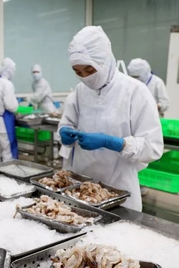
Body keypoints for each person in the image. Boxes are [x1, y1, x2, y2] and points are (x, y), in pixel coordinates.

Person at [58, 26, 163, 212]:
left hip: (119, 190)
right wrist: (64, 132)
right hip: (81, 186)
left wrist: (114, 143)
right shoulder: (79, 92)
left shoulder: (135, 92)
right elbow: (66, 124)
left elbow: (153, 148)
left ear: (104, 61)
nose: (85, 78)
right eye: (78, 72)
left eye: (89, 70)